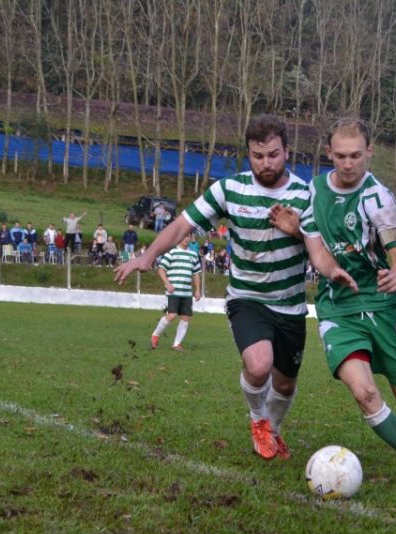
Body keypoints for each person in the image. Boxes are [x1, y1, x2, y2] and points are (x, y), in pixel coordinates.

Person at [115, 114, 334, 460]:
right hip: (246, 299)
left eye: (273, 154)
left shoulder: (307, 195)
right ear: (248, 153)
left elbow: (324, 251)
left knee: (285, 383)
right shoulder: (228, 190)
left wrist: (296, 230)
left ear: (287, 152)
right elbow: (182, 225)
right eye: (258, 155)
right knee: (259, 365)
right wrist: (148, 255)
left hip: (290, 305)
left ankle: (273, 430)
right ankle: (258, 420)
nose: (266, 163)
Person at [296, 117, 396, 494]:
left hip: (384, 307)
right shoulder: (313, 192)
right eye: (341, 156)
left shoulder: (379, 197)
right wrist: (332, 271)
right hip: (339, 308)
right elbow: (316, 250)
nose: (348, 164)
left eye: (356, 156)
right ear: (328, 153)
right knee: (364, 393)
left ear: (370, 152)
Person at [147, 234, 201, 351]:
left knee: (186, 317)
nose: (186, 239)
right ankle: (155, 335)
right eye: (184, 236)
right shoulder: (171, 252)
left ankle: (177, 344)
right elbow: (161, 270)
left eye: (188, 237)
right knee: (172, 315)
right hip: (173, 291)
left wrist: (197, 289)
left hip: (187, 292)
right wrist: (167, 283)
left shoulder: (193, 255)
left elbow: (196, 273)